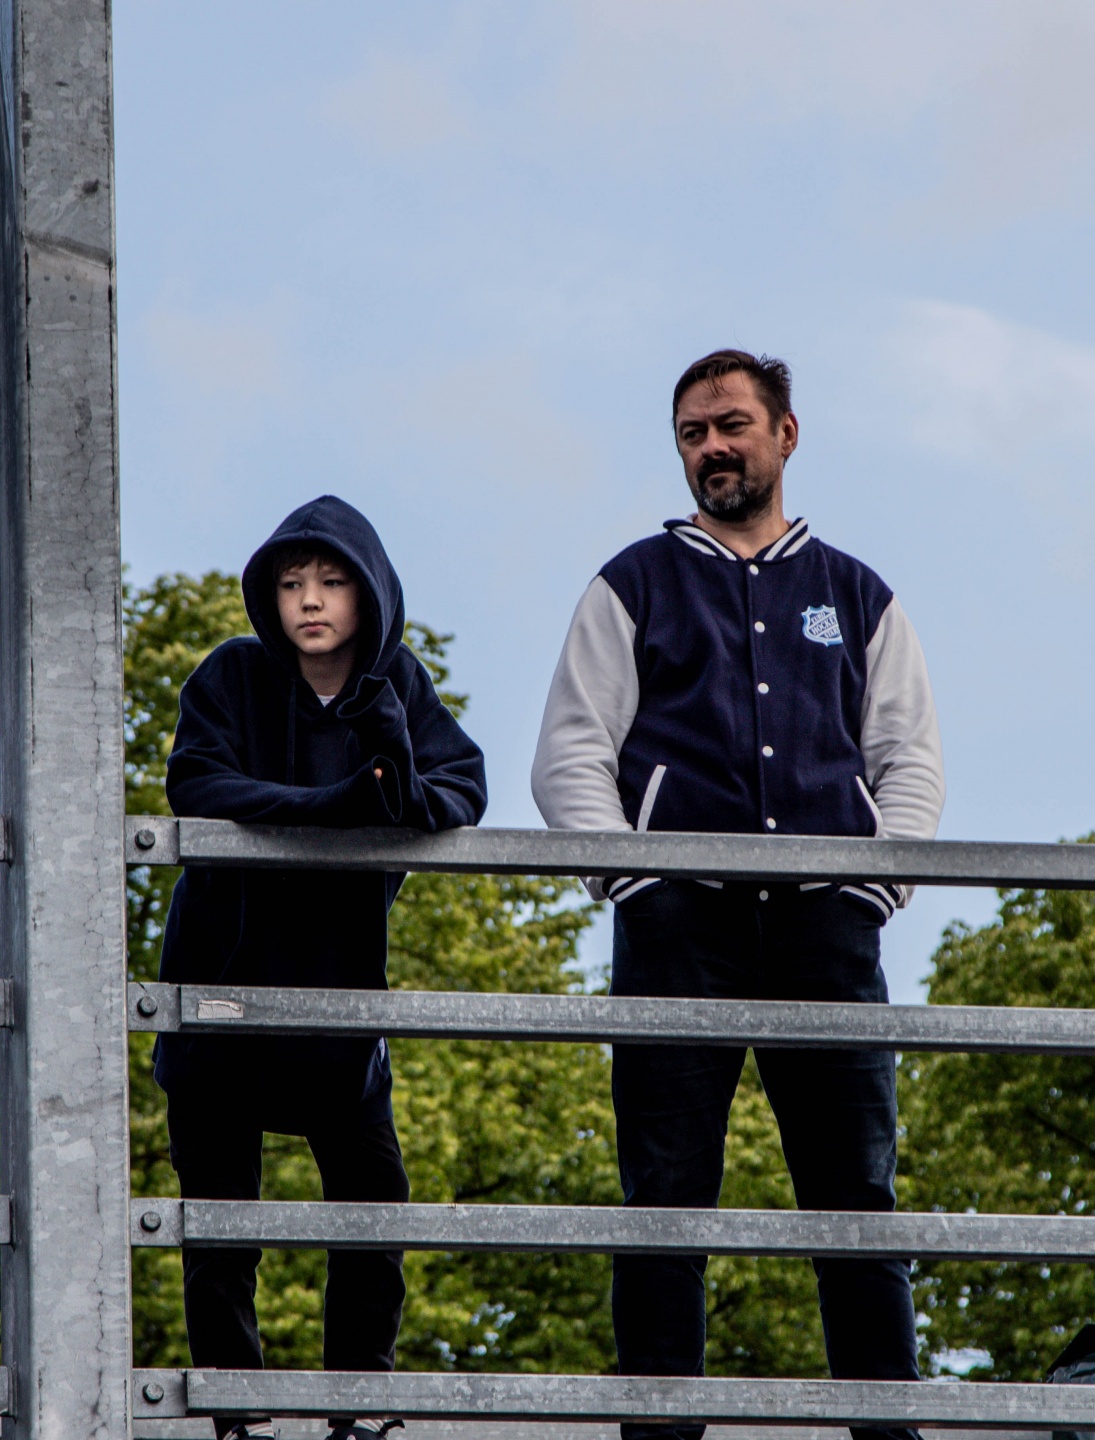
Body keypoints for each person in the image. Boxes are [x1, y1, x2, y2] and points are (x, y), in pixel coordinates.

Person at [531, 351, 944, 1440]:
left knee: (857, 1193)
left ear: (785, 435)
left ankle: (886, 1433)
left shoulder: (857, 593)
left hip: (826, 927)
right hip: (679, 925)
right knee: (664, 1193)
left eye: (731, 425)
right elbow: (570, 753)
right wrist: (639, 882)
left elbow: (909, 757)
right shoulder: (632, 583)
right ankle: (662, 1435)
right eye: (691, 433)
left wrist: (871, 890)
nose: (711, 447)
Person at [156, 494, 488, 1440]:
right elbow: (195, 781)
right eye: (292, 583)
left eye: (333, 581)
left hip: (340, 1002)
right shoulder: (231, 674)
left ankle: (361, 1407)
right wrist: (341, 804)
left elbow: (462, 786)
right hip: (219, 993)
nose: (310, 600)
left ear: (367, 593)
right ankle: (237, 1415)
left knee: (375, 1206)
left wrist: (396, 787)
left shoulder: (399, 685)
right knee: (222, 1226)